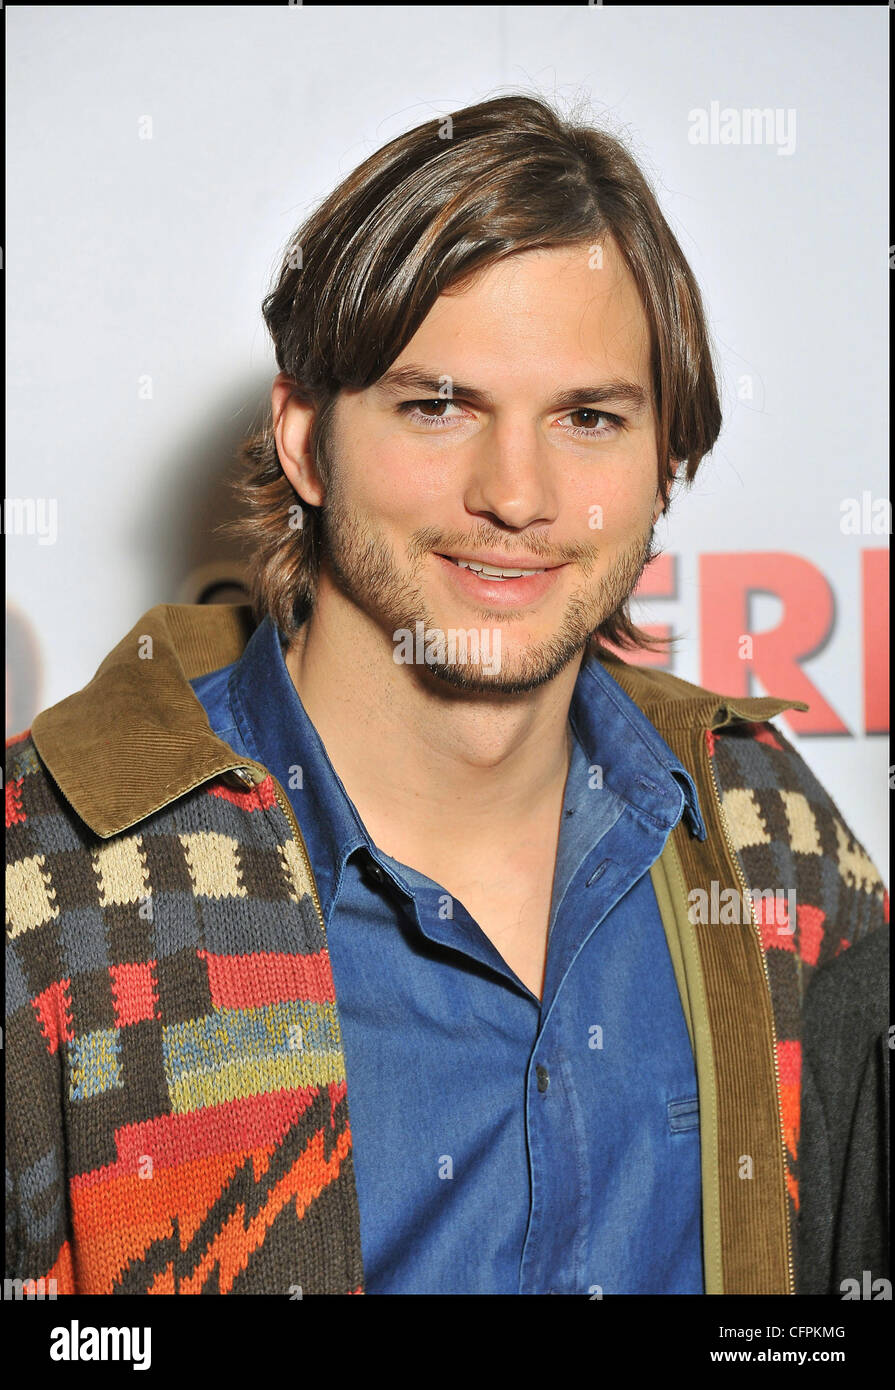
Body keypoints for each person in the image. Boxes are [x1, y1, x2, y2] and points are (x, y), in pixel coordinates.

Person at [5, 93, 887, 1297]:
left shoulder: (763, 834)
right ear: (307, 441)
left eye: (587, 417)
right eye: (438, 405)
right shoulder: (49, 878)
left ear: (660, 464)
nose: (516, 494)